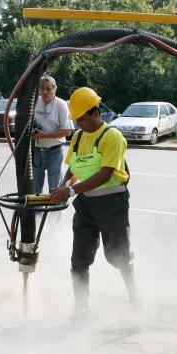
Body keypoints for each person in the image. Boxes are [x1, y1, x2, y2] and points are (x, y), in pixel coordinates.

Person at [50, 87, 137, 314]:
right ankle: (81, 307)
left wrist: (70, 191)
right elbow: (73, 169)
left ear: (95, 113)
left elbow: (105, 174)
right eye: (76, 119)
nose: (78, 123)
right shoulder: (78, 137)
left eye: (81, 118)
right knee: (79, 260)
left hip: (113, 204)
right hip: (86, 206)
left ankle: (134, 296)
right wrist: (64, 186)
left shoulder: (112, 137)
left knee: (118, 256)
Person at [31, 75, 72, 194]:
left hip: (55, 151)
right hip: (37, 150)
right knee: (35, 188)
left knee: (55, 189)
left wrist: (44, 135)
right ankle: (37, 206)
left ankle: (54, 206)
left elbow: (67, 131)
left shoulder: (61, 104)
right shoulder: (34, 102)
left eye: (48, 89)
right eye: (42, 88)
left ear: (55, 89)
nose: (44, 92)